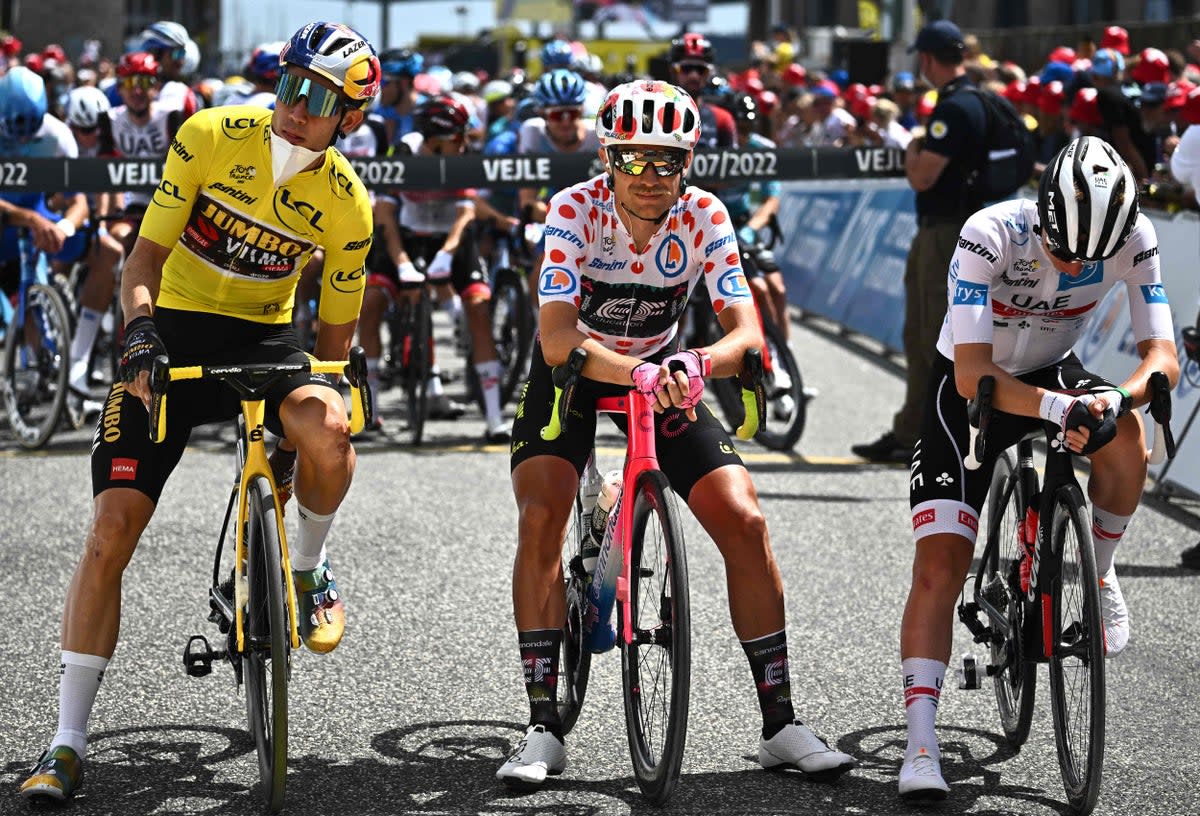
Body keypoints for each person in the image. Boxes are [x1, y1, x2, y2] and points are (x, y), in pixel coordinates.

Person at [18, 21, 381, 804]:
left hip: (267, 337)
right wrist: (140, 332)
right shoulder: (210, 134)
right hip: (173, 326)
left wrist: (334, 390)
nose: (294, 107)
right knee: (111, 528)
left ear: (349, 118)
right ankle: (66, 742)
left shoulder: (349, 206)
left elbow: (334, 340)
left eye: (316, 98)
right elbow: (143, 256)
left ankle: (309, 567)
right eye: (289, 85)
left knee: (330, 429)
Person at [495, 79, 855, 789]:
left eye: (668, 161)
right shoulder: (575, 209)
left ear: (688, 161)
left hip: (662, 375)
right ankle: (541, 725)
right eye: (634, 161)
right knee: (542, 518)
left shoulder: (704, 214)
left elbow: (745, 332)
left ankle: (780, 723)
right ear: (607, 157)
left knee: (745, 520)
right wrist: (635, 370)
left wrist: (697, 361)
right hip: (576, 370)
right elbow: (556, 336)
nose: (652, 178)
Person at [897, 136, 1178, 801]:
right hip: (973, 389)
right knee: (939, 565)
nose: (1075, 263)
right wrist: (1059, 409)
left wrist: (1115, 397)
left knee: (1126, 436)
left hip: (1055, 370)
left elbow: (1161, 356)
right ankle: (920, 741)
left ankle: (1099, 569)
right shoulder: (988, 232)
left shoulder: (1135, 238)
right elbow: (971, 373)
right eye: (1063, 248)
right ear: (1044, 209)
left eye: (1092, 257)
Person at [853, 19, 988, 464]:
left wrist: (913, 144)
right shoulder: (984, 100)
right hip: (982, 231)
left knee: (927, 334)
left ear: (928, 59)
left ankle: (923, 433)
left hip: (946, 233)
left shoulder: (952, 109)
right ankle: (928, 427)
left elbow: (922, 174)